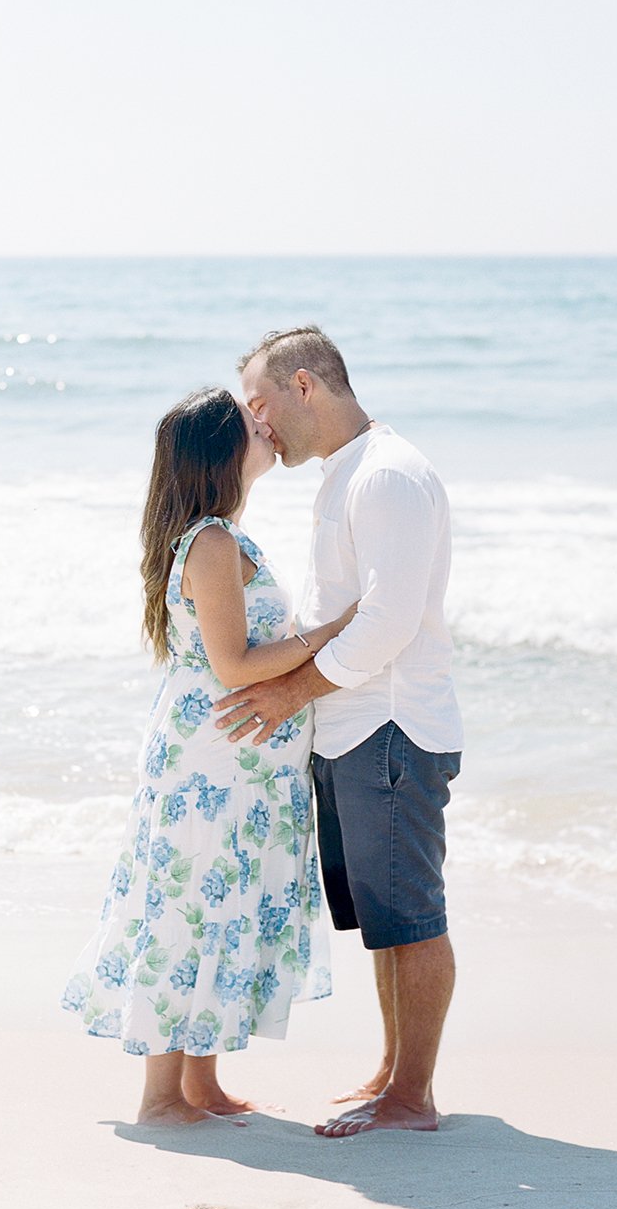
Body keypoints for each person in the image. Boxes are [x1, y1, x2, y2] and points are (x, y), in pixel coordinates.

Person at [62, 387, 343, 1125]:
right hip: (213, 769)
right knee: (190, 909)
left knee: (223, 904)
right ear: (224, 452)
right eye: (254, 427)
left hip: (237, 764)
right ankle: (160, 1096)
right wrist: (336, 631)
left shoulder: (227, 536)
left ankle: (201, 1086)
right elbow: (235, 664)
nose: (269, 430)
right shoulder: (213, 542)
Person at [212, 326, 464, 1139]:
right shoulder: (349, 473)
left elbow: (387, 623)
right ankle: (395, 1073)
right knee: (385, 920)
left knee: (412, 916)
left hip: (389, 727)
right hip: (355, 728)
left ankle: (411, 1097)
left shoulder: (385, 475)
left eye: (262, 402)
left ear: (306, 385)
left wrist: (289, 693)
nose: (259, 422)